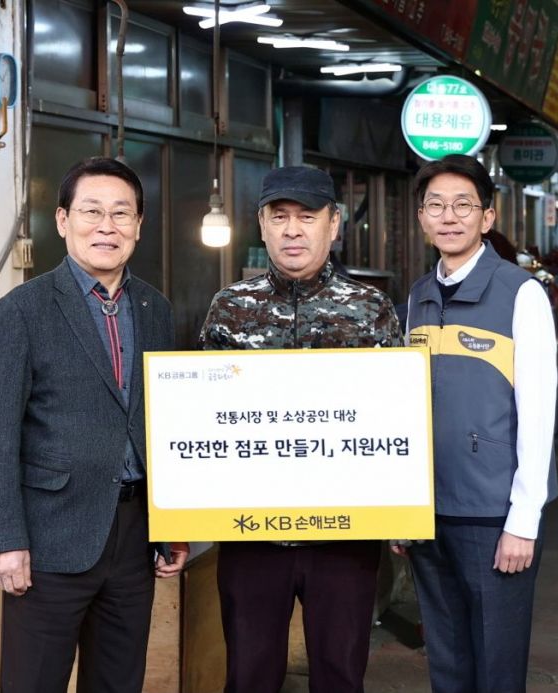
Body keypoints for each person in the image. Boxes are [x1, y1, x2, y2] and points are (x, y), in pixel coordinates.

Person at [0, 157, 189, 693]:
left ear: (139, 225)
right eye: (91, 211)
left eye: (121, 213)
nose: (106, 226)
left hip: (134, 536)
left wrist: (173, 522)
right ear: (63, 220)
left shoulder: (156, 308)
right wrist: (6, 539)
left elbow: (164, 422)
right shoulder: (22, 310)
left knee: (119, 682)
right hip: (50, 538)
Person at [199, 165, 402, 693]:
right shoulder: (229, 310)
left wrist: (404, 514)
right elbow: (202, 419)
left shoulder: (371, 311)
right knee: (249, 675)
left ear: (333, 225)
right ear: (261, 226)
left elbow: (397, 416)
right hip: (251, 532)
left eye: (307, 217)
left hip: (345, 533)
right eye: (280, 216)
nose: (293, 230)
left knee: (340, 675)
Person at [396, 154, 558, 693]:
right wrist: (402, 508)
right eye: (436, 205)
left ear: (487, 217)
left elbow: (539, 412)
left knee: (497, 666)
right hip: (429, 513)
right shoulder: (418, 296)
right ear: (421, 218)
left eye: (463, 205)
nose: (449, 217)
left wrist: (524, 519)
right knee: (445, 661)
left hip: (493, 515)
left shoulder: (520, 293)